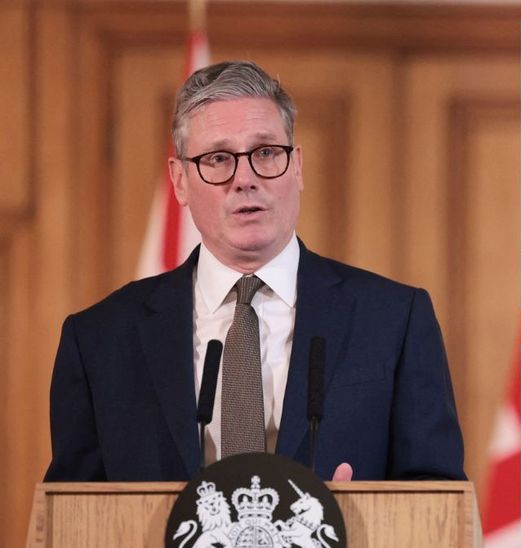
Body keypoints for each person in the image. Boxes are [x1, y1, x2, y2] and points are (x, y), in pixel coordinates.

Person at [44, 61, 464, 483]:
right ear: (180, 180)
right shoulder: (99, 340)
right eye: (218, 158)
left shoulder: (395, 320)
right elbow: (73, 521)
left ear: (296, 166)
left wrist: (362, 520)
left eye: (265, 153)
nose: (244, 178)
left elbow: (440, 504)